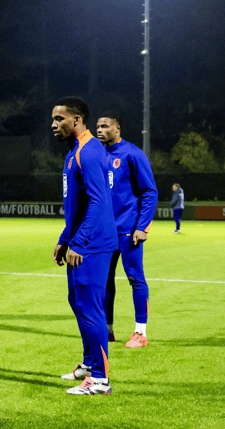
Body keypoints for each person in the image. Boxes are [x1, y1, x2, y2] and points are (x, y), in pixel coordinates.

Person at [51, 97, 117, 395]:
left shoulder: (89, 152)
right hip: (79, 241)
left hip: (93, 243)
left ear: (76, 120)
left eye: (59, 119)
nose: (54, 125)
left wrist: (79, 241)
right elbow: (76, 206)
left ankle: (101, 380)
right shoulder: (74, 152)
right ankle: (90, 365)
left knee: (91, 308)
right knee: (77, 303)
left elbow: (99, 201)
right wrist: (65, 239)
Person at [96, 113, 157, 348]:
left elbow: (150, 192)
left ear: (117, 128)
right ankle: (107, 330)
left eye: (105, 126)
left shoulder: (132, 153)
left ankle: (140, 333)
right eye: (98, 126)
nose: (100, 130)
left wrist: (142, 227)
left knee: (135, 279)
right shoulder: (98, 155)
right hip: (104, 232)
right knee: (105, 282)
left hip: (128, 231)